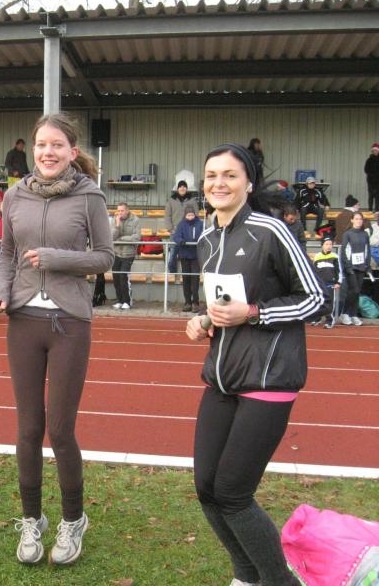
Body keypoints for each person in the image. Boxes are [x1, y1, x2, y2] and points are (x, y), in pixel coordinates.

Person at [186, 143, 323, 586]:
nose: (219, 183)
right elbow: (223, 304)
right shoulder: (206, 239)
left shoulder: (270, 231)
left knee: (233, 493)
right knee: (207, 489)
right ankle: (246, 576)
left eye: (230, 175)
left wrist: (254, 313)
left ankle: (281, 581)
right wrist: (204, 319)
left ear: (248, 182)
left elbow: (315, 298)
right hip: (222, 378)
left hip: (269, 377)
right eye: (212, 175)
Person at [0, 112, 112, 565]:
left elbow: (104, 257)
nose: (48, 152)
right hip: (23, 319)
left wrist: (57, 258)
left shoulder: (89, 196)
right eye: (42, 144)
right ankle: (31, 519)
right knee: (27, 429)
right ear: (32, 149)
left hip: (70, 322)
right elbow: (7, 255)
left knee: (60, 430)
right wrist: (0, 292)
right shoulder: (15, 196)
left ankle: (73, 519)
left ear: (72, 152)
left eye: (57, 145)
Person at [338, 211, 369, 327]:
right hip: (351, 266)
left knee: (357, 291)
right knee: (354, 290)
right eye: (356, 219)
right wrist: (347, 266)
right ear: (352, 220)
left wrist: (367, 265)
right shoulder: (347, 234)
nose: (359, 221)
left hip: (361, 266)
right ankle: (345, 313)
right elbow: (344, 251)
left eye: (360, 219)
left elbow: (367, 250)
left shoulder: (365, 234)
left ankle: (353, 314)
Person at [172, 204, 203, 312]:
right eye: (188, 215)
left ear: (195, 215)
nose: (190, 217)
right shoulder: (181, 224)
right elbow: (176, 236)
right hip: (184, 255)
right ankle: (187, 302)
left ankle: (195, 302)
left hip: (196, 255)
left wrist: (198, 242)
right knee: (186, 279)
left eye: (192, 215)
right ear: (185, 215)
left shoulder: (200, 224)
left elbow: (204, 235)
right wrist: (181, 241)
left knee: (195, 279)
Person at [164, 180, 198, 273]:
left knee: (189, 252)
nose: (182, 188)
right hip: (175, 231)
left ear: (186, 188)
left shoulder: (192, 200)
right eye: (180, 187)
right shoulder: (171, 200)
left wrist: (193, 228)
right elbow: (167, 216)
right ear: (177, 188)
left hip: (188, 231)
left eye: (184, 187)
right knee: (173, 252)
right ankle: (172, 272)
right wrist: (170, 229)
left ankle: (187, 273)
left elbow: (196, 215)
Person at [111, 202, 140, 310]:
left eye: (122, 210)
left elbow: (136, 237)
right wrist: (117, 225)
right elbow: (112, 237)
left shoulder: (135, 220)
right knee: (116, 277)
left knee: (123, 276)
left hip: (129, 253)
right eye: (118, 210)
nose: (120, 213)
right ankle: (120, 300)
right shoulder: (115, 220)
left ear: (127, 210)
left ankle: (127, 301)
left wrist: (122, 239)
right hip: (116, 253)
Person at [311, 236, 341, 329]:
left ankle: (329, 321)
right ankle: (317, 318)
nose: (329, 246)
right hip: (319, 284)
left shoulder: (335, 256)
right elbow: (313, 271)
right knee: (318, 301)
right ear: (322, 245)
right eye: (327, 244)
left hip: (330, 284)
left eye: (330, 244)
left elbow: (339, 271)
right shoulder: (317, 257)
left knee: (329, 303)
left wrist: (338, 282)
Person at [365, 143, 379, 213]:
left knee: (377, 196)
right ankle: (370, 209)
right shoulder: (369, 160)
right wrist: (371, 175)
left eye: (376, 150)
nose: (375, 151)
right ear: (372, 151)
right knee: (371, 195)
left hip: (378, 181)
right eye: (373, 150)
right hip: (370, 180)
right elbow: (366, 169)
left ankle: (377, 210)